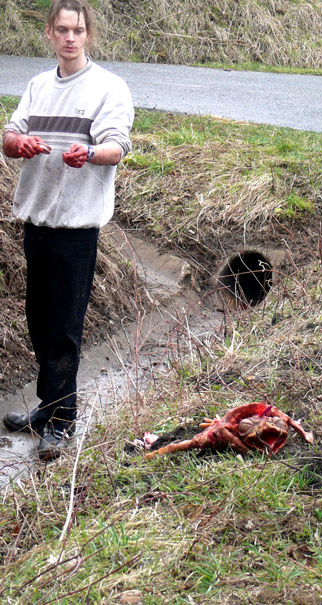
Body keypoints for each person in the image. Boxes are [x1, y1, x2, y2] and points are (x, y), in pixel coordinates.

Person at [1, 0, 134, 460]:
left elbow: (116, 145)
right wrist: (18, 143)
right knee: (39, 321)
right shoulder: (37, 86)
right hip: (37, 220)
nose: (70, 38)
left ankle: (62, 420)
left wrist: (90, 153)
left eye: (77, 30)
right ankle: (47, 407)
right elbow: (9, 135)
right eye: (62, 30)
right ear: (50, 34)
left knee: (64, 328)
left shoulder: (108, 88)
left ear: (88, 35)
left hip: (77, 228)